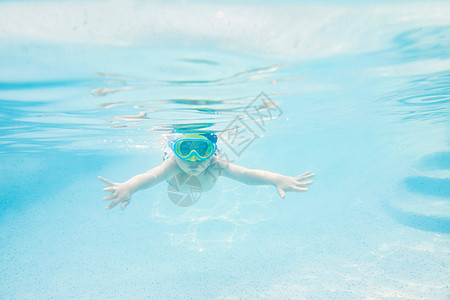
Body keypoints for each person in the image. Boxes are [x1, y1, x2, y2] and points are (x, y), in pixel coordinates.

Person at [99, 132, 315, 210]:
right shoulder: (173, 164)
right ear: (176, 152)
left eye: (202, 150)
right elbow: (151, 176)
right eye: (185, 150)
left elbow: (246, 175)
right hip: (176, 184)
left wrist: (276, 179)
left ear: (213, 152)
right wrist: (130, 187)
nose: (193, 159)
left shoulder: (215, 164)